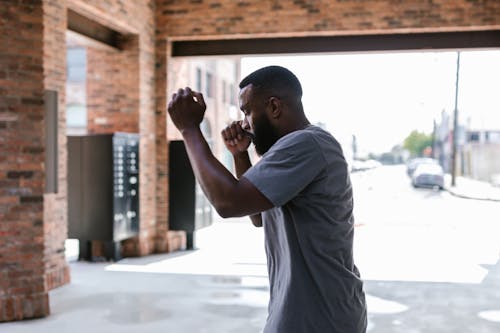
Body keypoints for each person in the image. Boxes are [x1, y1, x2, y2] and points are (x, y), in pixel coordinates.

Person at [167, 65, 367, 333]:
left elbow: (228, 203)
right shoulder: (296, 147)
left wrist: (189, 129)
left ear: (274, 107)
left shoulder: (306, 143)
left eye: (248, 111)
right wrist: (240, 155)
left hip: (320, 317)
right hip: (308, 312)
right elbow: (258, 216)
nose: (245, 122)